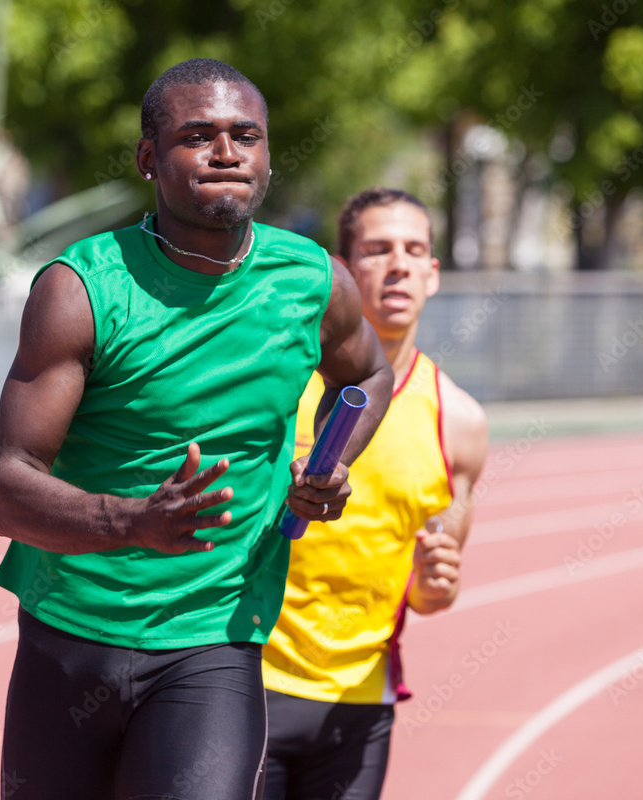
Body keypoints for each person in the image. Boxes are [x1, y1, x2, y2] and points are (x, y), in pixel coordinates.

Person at [0, 59, 393, 800]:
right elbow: (7, 491)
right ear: (149, 158)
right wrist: (135, 521)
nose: (226, 152)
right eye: (197, 136)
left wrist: (329, 461)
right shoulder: (80, 290)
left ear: (267, 156)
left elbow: (366, 376)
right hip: (70, 633)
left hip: (213, 638)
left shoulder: (314, 281)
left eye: (246, 136)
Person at [262, 188, 489, 800]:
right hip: (247, 679)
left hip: (359, 706)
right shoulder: (284, 382)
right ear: (342, 268)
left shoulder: (458, 422)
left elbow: (429, 588)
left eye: (414, 250)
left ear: (433, 274)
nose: (399, 265)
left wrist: (435, 586)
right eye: (378, 249)